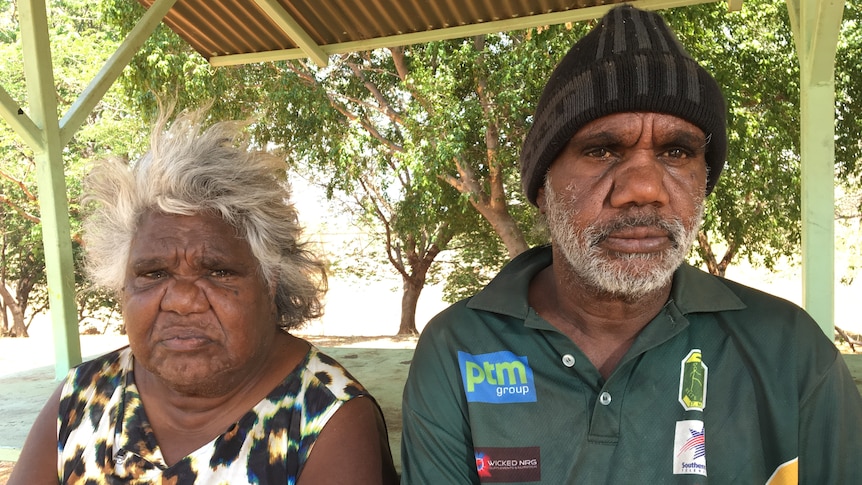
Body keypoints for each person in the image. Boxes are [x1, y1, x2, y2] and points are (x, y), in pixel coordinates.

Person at [400, 5, 862, 484]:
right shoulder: (460, 348)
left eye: (676, 152)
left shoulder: (788, 350)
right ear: (542, 187)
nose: (643, 187)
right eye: (601, 150)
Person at [9, 107, 398, 484]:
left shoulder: (326, 417)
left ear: (270, 281)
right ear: (122, 287)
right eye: (153, 273)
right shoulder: (83, 395)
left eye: (217, 271)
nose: (181, 300)